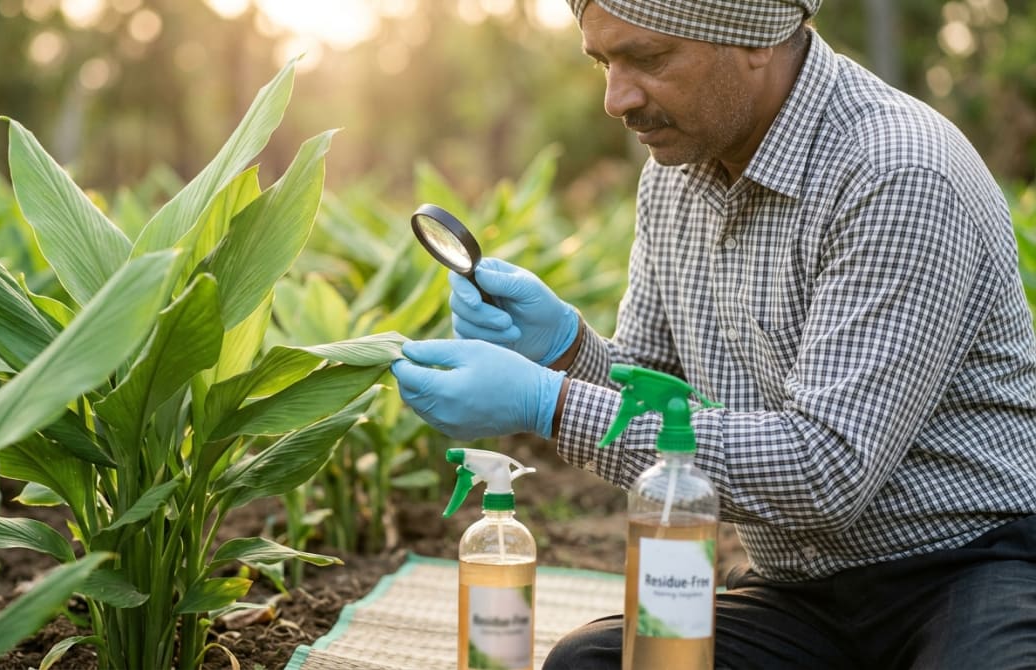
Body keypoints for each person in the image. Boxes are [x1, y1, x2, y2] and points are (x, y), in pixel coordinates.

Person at [389, 0, 1036, 667]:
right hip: (800, 592)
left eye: (647, 57)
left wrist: (547, 404)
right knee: (589, 662)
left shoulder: (896, 172)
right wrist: (564, 349)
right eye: (604, 61)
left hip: (967, 567)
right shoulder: (675, 178)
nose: (617, 97)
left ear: (756, 39)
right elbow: (654, 392)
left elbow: (825, 469)